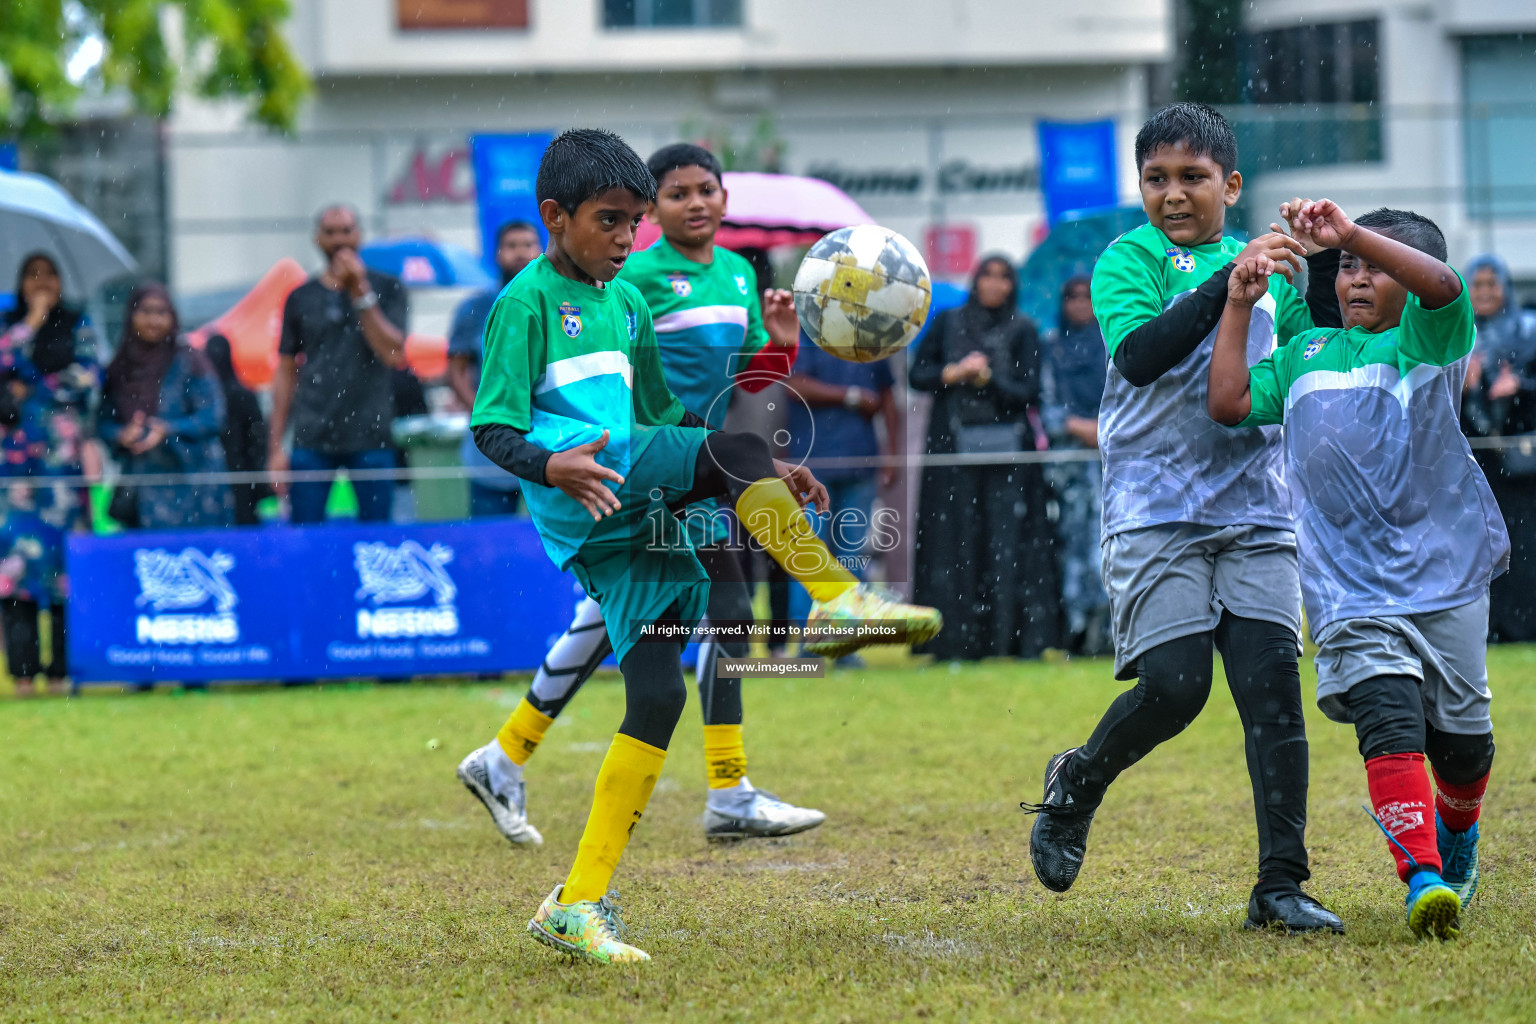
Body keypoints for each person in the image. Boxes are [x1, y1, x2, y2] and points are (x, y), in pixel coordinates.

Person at [465, 129, 941, 963]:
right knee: (731, 458)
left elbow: (672, 419)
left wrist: (763, 467)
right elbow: (491, 427)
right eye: (611, 221)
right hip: (592, 496)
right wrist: (553, 463)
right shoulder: (525, 303)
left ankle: (576, 905)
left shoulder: (629, 303)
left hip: (631, 511)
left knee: (655, 698)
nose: (625, 237)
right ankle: (835, 599)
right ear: (555, 216)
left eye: (633, 222)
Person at [1021, 103, 1344, 933]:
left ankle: (1281, 886)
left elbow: (1319, 349)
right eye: (1156, 178)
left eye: (1193, 177)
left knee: (1273, 692)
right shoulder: (1126, 259)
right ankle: (1080, 780)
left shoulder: (1274, 263)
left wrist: (1322, 259)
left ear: (1231, 185)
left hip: (1258, 508)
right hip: (1155, 509)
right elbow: (1140, 357)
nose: (1173, 193)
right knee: (1176, 687)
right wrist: (1225, 285)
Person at [457, 142, 825, 852]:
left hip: (683, 460)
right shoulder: (630, 277)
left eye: (705, 189)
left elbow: (738, 388)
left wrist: (779, 355)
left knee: (648, 628)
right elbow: (500, 420)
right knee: (709, 611)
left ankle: (506, 757)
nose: (693, 204)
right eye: (676, 193)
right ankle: (729, 787)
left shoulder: (735, 278)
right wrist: (550, 462)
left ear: (725, 199)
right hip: (644, 470)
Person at [1209, 202, 1507, 941]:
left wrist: (1351, 235)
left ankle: (1459, 826)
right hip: (1348, 588)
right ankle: (1425, 878)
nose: (1356, 279)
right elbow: (1228, 402)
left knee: (1464, 747)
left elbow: (1442, 284)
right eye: (1345, 267)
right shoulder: (1304, 353)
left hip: (1444, 576)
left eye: (1374, 266)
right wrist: (1238, 305)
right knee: (1387, 720)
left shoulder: (1429, 342)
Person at [909, 256, 1057, 659]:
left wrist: (991, 379)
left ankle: (1007, 637)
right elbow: (917, 375)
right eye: (987, 275)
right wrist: (953, 374)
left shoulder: (1024, 328)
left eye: (1003, 276)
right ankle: (955, 640)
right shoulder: (947, 322)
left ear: (1012, 285)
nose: (994, 284)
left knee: (1007, 542)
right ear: (975, 281)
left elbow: (1030, 391)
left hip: (1009, 458)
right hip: (953, 453)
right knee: (953, 541)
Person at [269, 204, 408, 524]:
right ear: (317, 239)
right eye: (330, 232)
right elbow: (286, 371)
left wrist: (360, 289)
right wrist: (276, 447)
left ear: (358, 235)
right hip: (312, 437)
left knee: (378, 541)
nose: (338, 240)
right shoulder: (300, 297)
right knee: (306, 537)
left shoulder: (388, 287)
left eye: (346, 231)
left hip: (372, 436)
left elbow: (392, 353)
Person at [0, 252, 99, 692]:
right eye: (32, 275)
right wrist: (32, 322)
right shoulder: (8, 322)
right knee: (16, 571)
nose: (41, 283)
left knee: (63, 572)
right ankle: (22, 673)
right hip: (16, 467)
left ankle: (60, 671)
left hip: (61, 465)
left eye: (49, 275)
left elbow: (88, 375)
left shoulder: (77, 323)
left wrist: (35, 387)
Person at [97, 284, 231, 531]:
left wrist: (168, 429)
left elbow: (214, 416)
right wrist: (122, 434)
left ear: (173, 317)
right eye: (146, 311)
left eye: (161, 312)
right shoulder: (120, 367)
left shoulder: (190, 360)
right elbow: (102, 422)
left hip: (194, 485)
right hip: (142, 488)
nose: (153, 320)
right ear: (131, 315)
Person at [1459, 253, 1536, 641]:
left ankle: (1525, 626)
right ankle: (1492, 628)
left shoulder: (1528, 332)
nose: (1485, 292)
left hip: (1523, 469)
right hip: (1479, 469)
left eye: (1492, 284)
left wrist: (1519, 389)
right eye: (1478, 285)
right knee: (1485, 546)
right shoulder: (1457, 338)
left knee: (1525, 548)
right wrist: (1465, 387)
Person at [447, 219, 543, 517]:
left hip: (547, 441)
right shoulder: (475, 308)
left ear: (540, 251)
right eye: (511, 246)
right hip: (490, 449)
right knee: (489, 543)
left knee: (548, 545)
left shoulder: (558, 302)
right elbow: (455, 369)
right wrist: (482, 416)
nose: (520, 253)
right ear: (498, 254)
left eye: (527, 245)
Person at [1040, 275, 1110, 655]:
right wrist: (1078, 426)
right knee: (1074, 543)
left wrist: (1106, 428)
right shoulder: (1053, 347)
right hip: (1069, 466)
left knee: (1111, 543)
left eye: (1087, 297)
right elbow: (1045, 405)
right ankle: (1077, 629)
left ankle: (1113, 630)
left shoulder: (1111, 343)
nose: (1080, 304)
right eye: (1072, 297)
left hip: (1115, 460)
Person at [204, 334, 269, 527]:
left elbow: (258, 436)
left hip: (224, 470)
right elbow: (258, 439)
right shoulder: (242, 393)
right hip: (241, 470)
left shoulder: (207, 395)